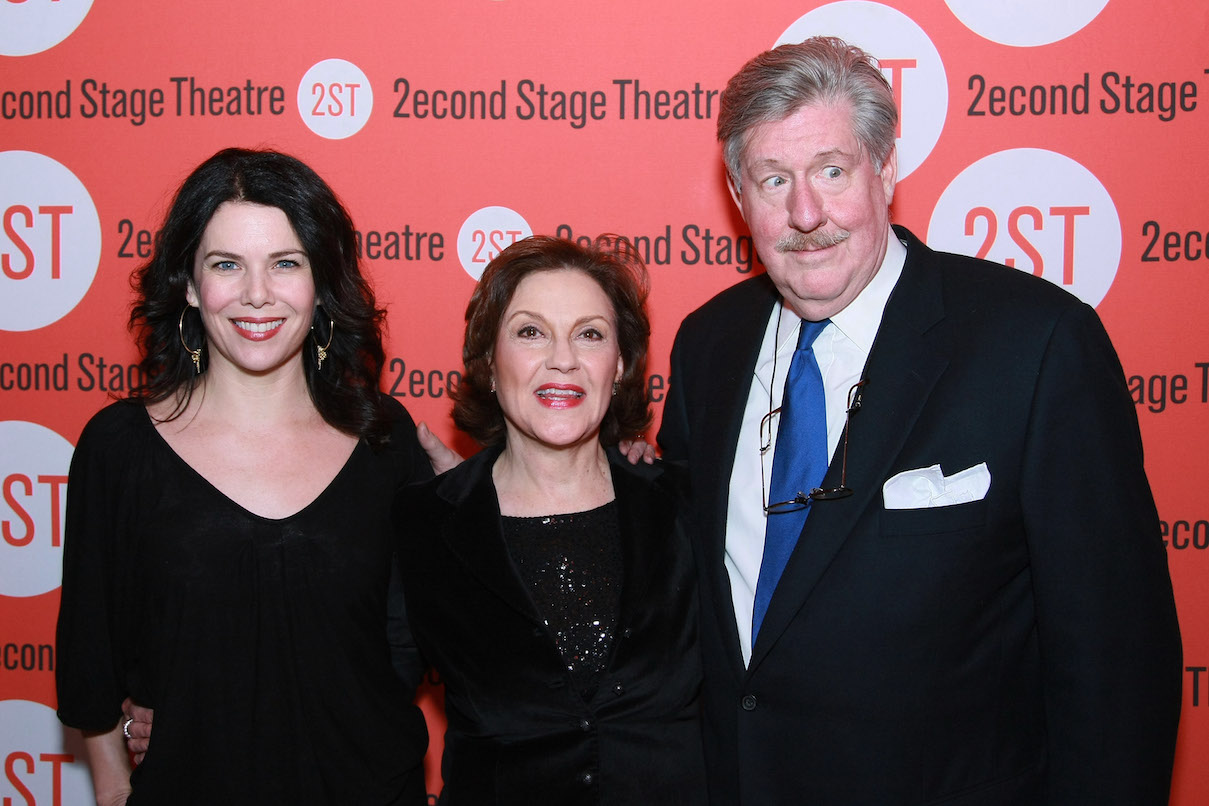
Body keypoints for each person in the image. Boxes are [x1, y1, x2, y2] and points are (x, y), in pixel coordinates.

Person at [656, 37, 1183, 805]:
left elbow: (1116, 662)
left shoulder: (1034, 346)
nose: (806, 215)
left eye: (831, 172)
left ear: (885, 170)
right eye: (774, 180)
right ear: (738, 196)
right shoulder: (709, 344)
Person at [56, 148, 432, 805]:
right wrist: (117, 789)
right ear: (191, 285)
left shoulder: (385, 439)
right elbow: (91, 665)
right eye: (226, 264)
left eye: (285, 263)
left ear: (320, 285)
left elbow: (407, 647)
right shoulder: (119, 450)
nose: (256, 293)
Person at [394, 235, 707, 804]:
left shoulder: (686, 507)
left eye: (590, 334)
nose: (562, 359)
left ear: (620, 367)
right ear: (489, 362)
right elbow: (368, 712)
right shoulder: (424, 526)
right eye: (530, 332)